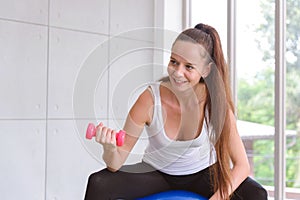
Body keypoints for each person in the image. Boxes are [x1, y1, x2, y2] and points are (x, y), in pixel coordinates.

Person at [84, 23, 268, 200]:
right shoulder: (149, 99)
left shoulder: (215, 102)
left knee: (256, 194)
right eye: (174, 62)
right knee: (99, 182)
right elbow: (115, 163)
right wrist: (109, 148)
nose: (178, 73)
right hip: (157, 172)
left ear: (205, 70)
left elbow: (242, 166)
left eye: (189, 67)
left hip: (203, 174)